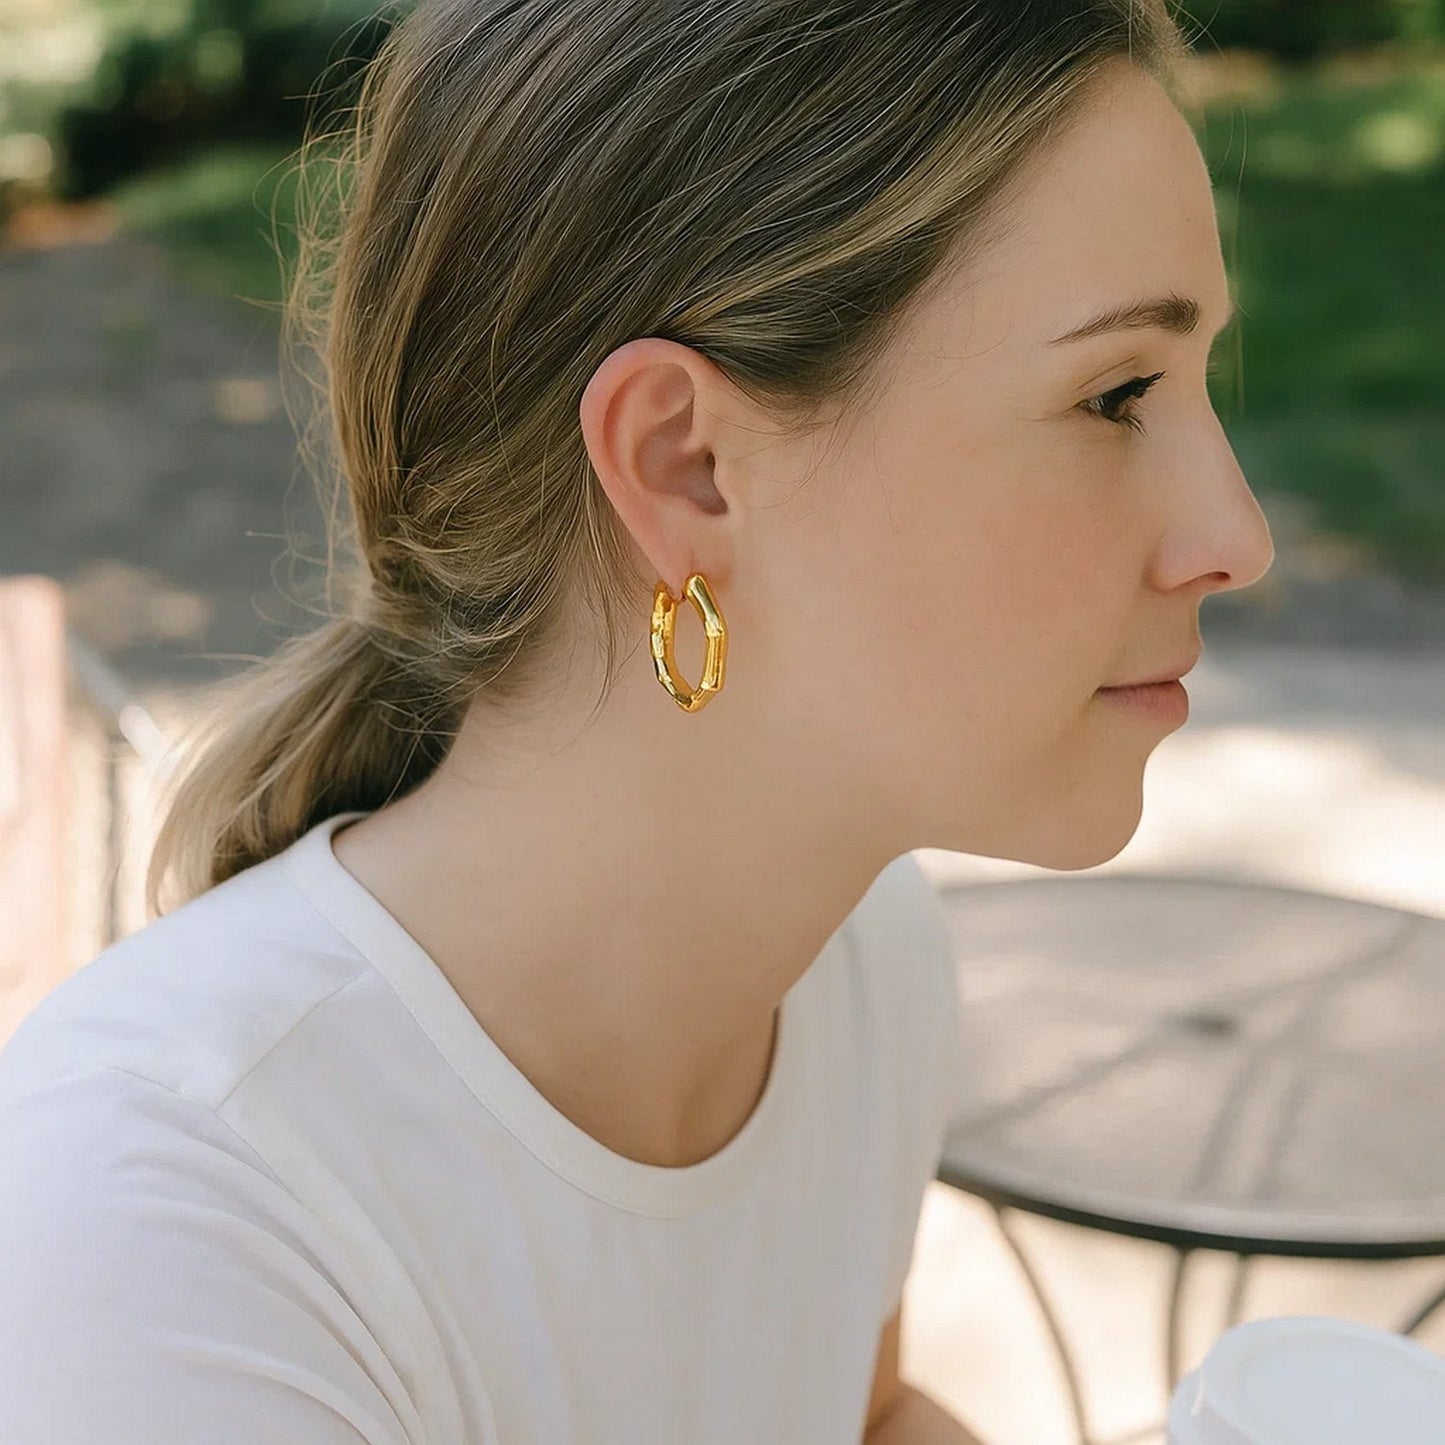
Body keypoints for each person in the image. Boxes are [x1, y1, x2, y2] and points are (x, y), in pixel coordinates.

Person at [0, 1, 1274, 1441]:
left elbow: (859, 1419)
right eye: (1116, 394)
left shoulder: (855, 959)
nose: (1235, 536)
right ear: (684, 463)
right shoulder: (168, 1220)